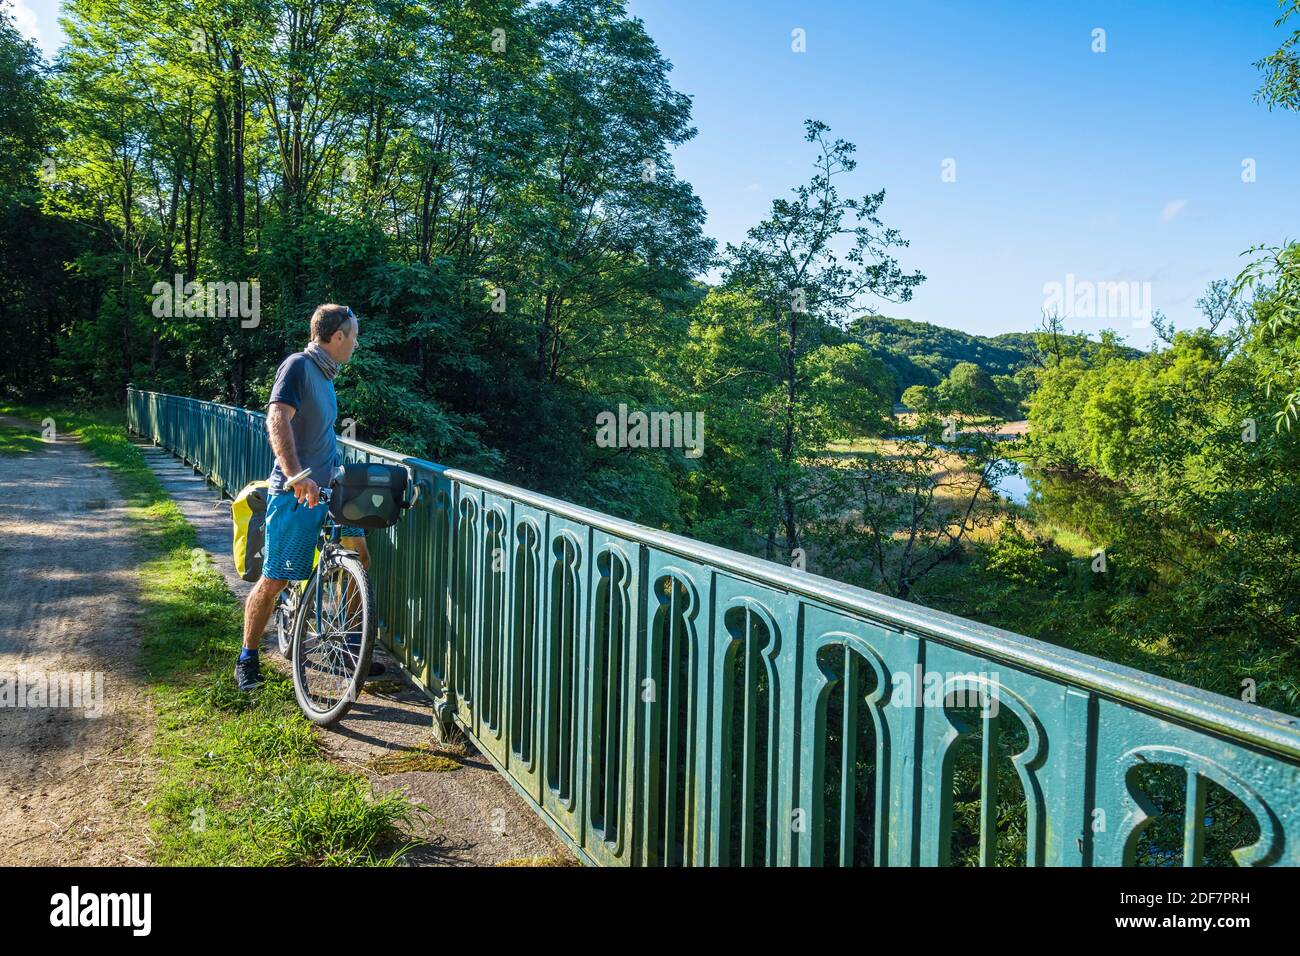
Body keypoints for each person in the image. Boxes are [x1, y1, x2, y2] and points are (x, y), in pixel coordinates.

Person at [235, 303, 381, 691]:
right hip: (296, 492)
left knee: (359, 557)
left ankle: (350, 649)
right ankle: (247, 659)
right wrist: (295, 475)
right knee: (276, 579)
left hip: (333, 489)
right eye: (354, 336)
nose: (356, 344)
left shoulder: (326, 376)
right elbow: (277, 417)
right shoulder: (298, 365)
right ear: (337, 337)